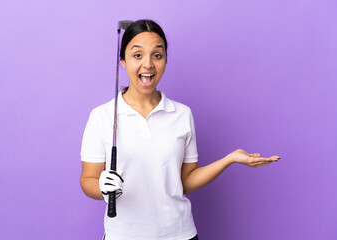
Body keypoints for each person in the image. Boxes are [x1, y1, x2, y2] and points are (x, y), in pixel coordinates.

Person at [80, 19, 280, 240]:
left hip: (179, 234)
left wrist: (229, 159)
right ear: (123, 61)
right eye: (137, 55)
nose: (148, 64)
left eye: (157, 55)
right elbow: (87, 179)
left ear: (165, 60)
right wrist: (102, 188)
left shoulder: (182, 114)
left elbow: (185, 182)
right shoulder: (101, 117)